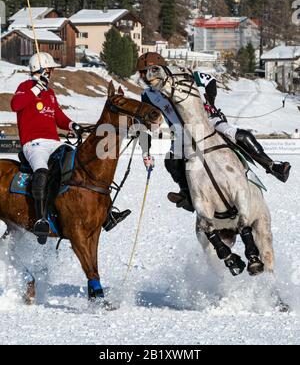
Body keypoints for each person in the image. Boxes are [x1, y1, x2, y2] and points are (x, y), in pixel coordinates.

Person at [136, 52, 291, 211]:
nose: (143, 76)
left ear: (158, 69)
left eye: (146, 71)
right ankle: (187, 194)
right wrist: (145, 152)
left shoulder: (183, 75)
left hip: (207, 120)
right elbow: (144, 123)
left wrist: (209, 102)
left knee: (240, 136)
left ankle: (273, 167)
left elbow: (210, 81)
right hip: (181, 133)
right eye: (141, 72)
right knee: (171, 161)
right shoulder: (147, 95)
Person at [11, 52, 128, 244]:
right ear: (40, 70)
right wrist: (35, 89)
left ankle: (106, 215)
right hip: (34, 144)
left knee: (80, 166)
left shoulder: (49, 93)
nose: (52, 74)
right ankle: (41, 220)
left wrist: (73, 125)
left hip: (54, 143)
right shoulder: (25, 87)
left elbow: (58, 117)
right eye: (50, 70)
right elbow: (16, 105)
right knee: (41, 172)